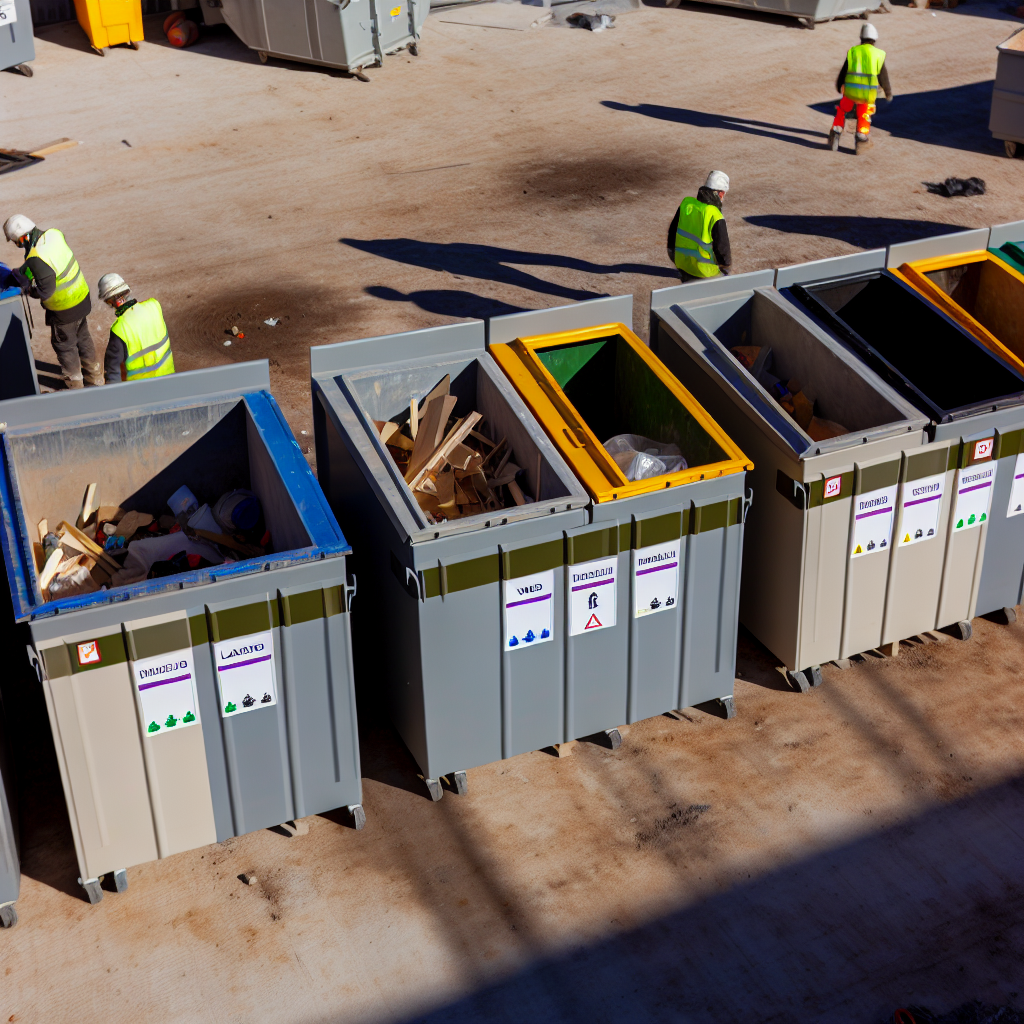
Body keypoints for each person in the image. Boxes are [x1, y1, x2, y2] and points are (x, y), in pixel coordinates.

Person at [3, 214, 103, 388]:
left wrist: (27, 290)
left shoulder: (36, 258)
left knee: (65, 345)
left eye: (16, 241)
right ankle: (96, 378)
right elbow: (51, 260)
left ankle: (75, 386)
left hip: (64, 309)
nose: (17, 245)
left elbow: (46, 291)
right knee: (83, 337)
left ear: (24, 237)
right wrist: (27, 268)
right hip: (81, 298)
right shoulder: (54, 234)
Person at [97, 273, 176, 382]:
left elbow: (113, 372)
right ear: (127, 291)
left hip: (142, 393)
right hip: (169, 381)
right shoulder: (154, 306)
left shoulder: (120, 329)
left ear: (111, 302)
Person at [829, 22, 892, 154]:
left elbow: (844, 70)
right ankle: (861, 138)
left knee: (842, 109)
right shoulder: (878, 54)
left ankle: (836, 131)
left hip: (850, 91)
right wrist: (888, 92)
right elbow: (883, 75)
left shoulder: (853, 51)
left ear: (861, 38)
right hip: (867, 94)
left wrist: (839, 84)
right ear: (874, 39)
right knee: (864, 114)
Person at [667, 171, 732, 282]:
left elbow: (672, 232)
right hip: (704, 271)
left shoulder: (686, 204)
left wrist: (673, 255)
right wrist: (725, 267)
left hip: (683, 265)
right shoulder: (715, 215)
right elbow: (722, 248)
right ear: (720, 194)